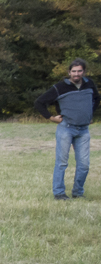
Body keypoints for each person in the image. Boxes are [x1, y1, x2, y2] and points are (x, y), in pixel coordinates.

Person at [33, 58, 98, 200]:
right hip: (66, 129)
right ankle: (59, 193)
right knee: (62, 163)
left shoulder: (90, 84)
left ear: (84, 72)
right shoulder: (60, 87)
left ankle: (78, 192)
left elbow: (96, 99)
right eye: (74, 71)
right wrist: (51, 117)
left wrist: (89, 114)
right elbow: (39, 102)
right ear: (69, 72)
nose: (76, 74)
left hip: (83, 130)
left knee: (84, 165)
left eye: (79, 71)